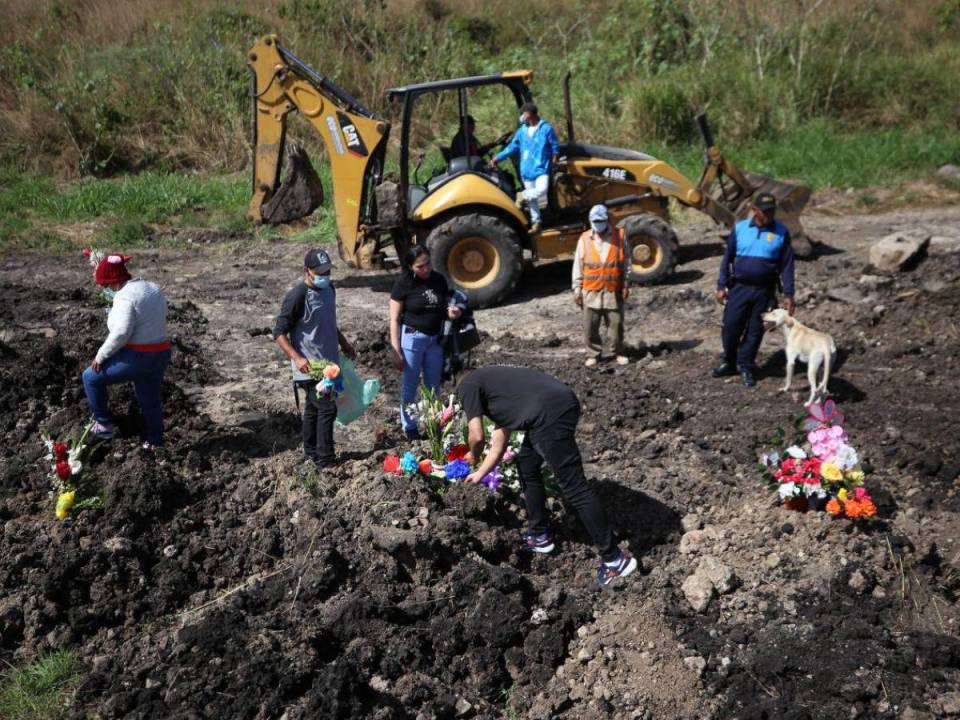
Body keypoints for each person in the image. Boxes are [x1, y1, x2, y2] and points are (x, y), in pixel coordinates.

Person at [456, 365, 637, 588]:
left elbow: (477, 435)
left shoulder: (467, 384)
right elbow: (498, 445)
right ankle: (539, 535)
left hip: (547, 414)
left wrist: (472, 454)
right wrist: (480, 474)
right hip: (557, 403)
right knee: (527, 464)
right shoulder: (502, 391)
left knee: (575, 487)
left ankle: (614, 560)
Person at [273, 248, 355, 468]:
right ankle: (326, 460)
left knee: (313, 407)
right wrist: (298, 359)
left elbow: (328, 321)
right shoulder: (297, 296)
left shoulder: (329, 289)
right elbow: (279, 333)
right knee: (327, 407)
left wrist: (344, 343)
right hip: (310, 365)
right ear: (306, 271)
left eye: (327, 271)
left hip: (330, 363)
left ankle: (311, 453)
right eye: (320, 272)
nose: (324, 275)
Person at [82, 253, 171, 450]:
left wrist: (101, 355)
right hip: (162, 351)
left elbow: (121, 332)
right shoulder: (151, 287)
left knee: (90, 378)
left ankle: (104, 424)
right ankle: (155, 441)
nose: (105, 289)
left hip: (139, 357)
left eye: (105, 286)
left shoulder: (124, 298)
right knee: (150, 400)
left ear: (111, 283)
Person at [713, 192, 796, 387]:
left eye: (772, 211)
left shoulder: (781, 232)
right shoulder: (740, 229)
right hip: (739, 288)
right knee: (731, 328)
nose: (769, 215)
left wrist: (789, 294)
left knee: (755, 331)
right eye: (765, 211)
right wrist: (721, 285)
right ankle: (729, 361)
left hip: (764, 291)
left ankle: (746, 366)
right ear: (754, 210)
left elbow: (787, 266)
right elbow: (727, 259)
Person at [390, 245, 462, 439]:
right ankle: (410, 427)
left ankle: (434, 424)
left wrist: (451, 312)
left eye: (428, 263)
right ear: (410, 267)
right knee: (410, 384)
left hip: (435, 340)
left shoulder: (438, 280)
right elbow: (395, 318)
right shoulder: (403, 284)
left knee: (433, 386)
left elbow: (443, 307)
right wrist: (395, 349)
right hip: (412, 339)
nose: (426, 269)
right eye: (420, 266)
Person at [573, 204, 630, 367]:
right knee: (590, 325)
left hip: (613, 289)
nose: (598, 224)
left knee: (616, 325)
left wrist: (626, 283)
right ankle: (593, 353)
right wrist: (577, 287)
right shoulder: (584, 238)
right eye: (595, 221)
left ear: (607, 220)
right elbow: (578, 264)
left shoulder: (620, 235)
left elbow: (627, 261)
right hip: (591, 290)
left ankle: (617, 352)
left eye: (601, 221)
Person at [489, 101, 560, 233]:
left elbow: (554, 144)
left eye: (523, 113)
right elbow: (512, 147)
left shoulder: (546, 129)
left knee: (542, 190)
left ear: (529, 114)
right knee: (532, 200)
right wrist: (498, 157)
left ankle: (522, 195)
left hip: (541, 167)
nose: (522, 116)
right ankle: (536, 222)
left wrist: (555, 155)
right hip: (526, 169)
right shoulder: (522, 131)